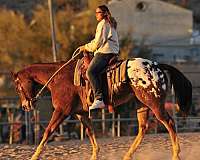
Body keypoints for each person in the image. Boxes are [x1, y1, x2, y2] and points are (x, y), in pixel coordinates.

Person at [79, 5, 119, 110]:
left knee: (90, 72)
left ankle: (98, 99)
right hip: (111, 51)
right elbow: (97, 41)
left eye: (99, 12)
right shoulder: (109, 23)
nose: (96, 14)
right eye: (96, 12)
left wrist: (86, 47)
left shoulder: (103, 24)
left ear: (105, 13)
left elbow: (97, 43)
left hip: (105, 52)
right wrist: (86, 46)